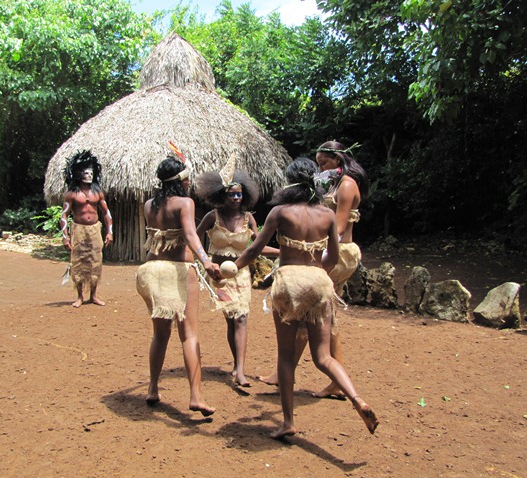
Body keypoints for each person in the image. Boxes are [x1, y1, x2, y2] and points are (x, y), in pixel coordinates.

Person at [234, 157, 378, 439]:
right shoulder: (325, 214)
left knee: (287, 357)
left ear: (289, 182)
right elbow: (334, 257)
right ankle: (356, 398)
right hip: (319, 281)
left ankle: (288, 422)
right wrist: (316, 275)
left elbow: (254, 250)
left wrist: (229, 270)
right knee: (323, 356)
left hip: (289, 281)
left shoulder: (279, 212)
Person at [259, 141, 369, 400]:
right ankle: (328, 378)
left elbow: (338, 229)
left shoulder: (347, 185)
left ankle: (290, 371)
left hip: (338, 253)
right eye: (318, 164)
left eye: (325, 163)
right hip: (327, 252)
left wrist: (312, 262)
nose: (321, 168)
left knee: (307, 310)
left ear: (338, 159)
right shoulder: (335, 184)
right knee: (319, 315)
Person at [136, 156, 221, 416]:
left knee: (160, 334)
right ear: (181, 181)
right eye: (187, 179)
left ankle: (152, 388)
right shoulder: (185, 203)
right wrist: (206, 261)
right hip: (177, 272)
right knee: (189, 334)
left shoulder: (150, 204)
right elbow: (190, 233)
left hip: (150, 272)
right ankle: (196, 396)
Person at [195, 162, 279, 387]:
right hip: (219, 278)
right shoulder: (212, 217)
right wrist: (204, 263)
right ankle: (236, 364)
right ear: (222, 196)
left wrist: (284, 251)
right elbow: (195, 240)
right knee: (231, 321)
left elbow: (257, 246)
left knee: (241, 318)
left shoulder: (248, 218)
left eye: (239, 194)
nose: (236, 198)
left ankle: (240, 370)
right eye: (232, 194)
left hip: (242, 275)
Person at [60, 150, 113, 308]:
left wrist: (110, 231)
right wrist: (65, 236)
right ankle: (80, 296)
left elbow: (106, 213)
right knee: (78, 262)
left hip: (94, 230)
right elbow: (64, 215)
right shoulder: (72, 194)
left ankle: (94, 295)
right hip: (79, 230)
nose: (89, 175)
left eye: (91, 172)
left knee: (95, 262)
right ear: (79, 174)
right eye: (86, 172)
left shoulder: (98, 193)